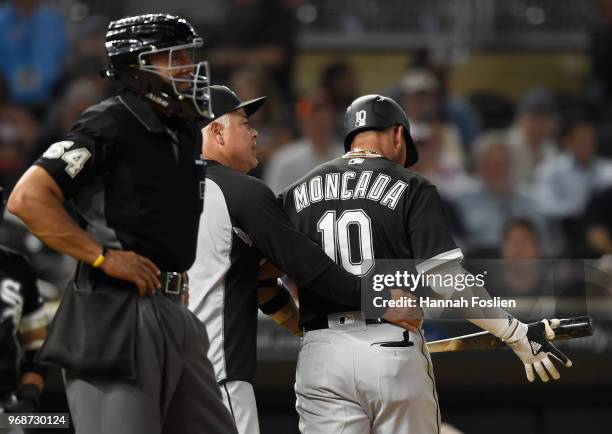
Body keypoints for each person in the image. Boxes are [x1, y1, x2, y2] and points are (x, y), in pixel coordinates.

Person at [280, 94, 573, 434]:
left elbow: (264, 272)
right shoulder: (412, 185)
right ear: (397, 134)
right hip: (390, 345)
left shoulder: (294, 193)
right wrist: (514, 331)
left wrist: (289, 317)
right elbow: (447, 280)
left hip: (321, 351)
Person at [7, 14, 237, 434]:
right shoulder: (109, 121)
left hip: (174, 308)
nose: (188, 65)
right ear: (137, 67)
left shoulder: (181, 131)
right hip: (115, 314)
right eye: (174, 57)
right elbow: (28, 197)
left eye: (188, 55)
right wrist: (102, 257)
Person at [189, 85, 422, 434]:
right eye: (243, 122)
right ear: (217, 131)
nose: (254, 132)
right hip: (218, 372)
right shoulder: (242, 192)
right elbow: (309, 266)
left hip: (167, 366)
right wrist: (381, 300)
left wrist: (300, 325)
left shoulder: (166, 192)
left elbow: (259, 282)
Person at [0, 187, 49, 419]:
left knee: (61, 423)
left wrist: (29, 398)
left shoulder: (18, 268)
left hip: (6, 405)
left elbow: (37, 348)